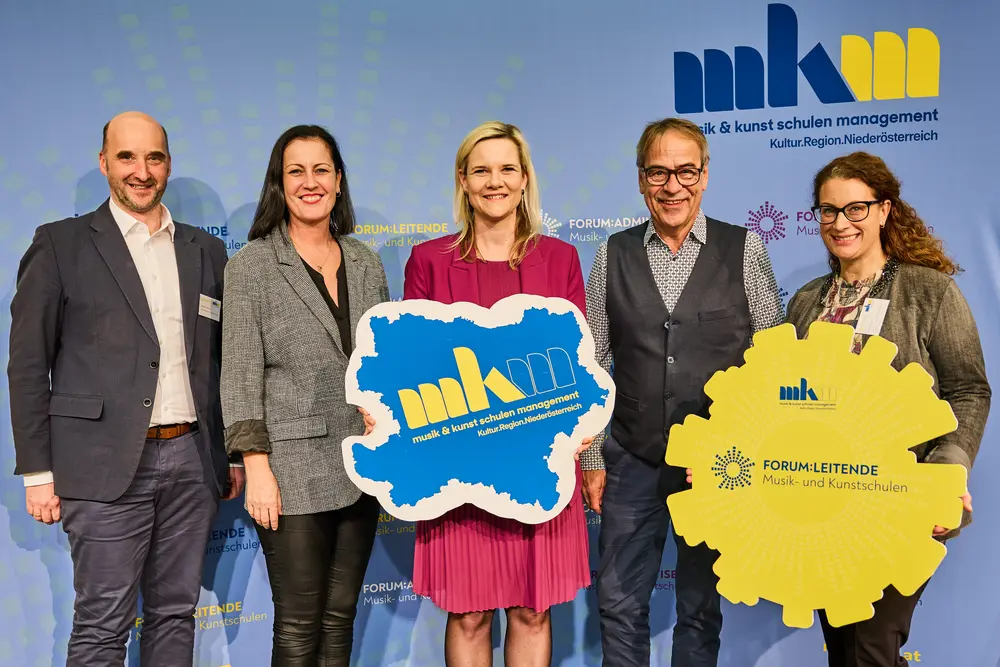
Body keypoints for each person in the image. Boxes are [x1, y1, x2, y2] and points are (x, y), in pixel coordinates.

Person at [7, 111, 245, 666]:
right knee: (101, 626)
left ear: (169, 165)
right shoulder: (60, 244)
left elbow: (221, 361)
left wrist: (230, 452)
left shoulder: (205, 251)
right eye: (127, 157)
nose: (142, 171)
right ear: (104, 163)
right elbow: (28, 365)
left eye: (154, 157)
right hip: (99, 464)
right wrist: (38, 472)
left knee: (175, 614)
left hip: (192, 460)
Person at [581, 117, 784, 667]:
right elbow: (594, 361)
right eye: (659, 172)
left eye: (686, 171)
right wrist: (593, 458)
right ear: (641, 179)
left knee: (700, 606)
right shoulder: (612, 253)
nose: (673, 186)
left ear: (705, 175)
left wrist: (752, 450)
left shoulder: (745, 249)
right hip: (632, 458)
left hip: (718, 465)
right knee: (619, 603)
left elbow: (772, 360)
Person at [785, 151, 991, 667]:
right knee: (844, 650)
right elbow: (784, 403)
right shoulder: (806, 303)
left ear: (884, 210)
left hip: (903, 500)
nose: (841, 223)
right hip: (825, 504)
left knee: (873, 647)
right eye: (829, 211)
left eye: (855, 208)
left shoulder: (929, 291)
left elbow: (969, 390)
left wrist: (948, 471)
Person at [403, 120, 593, 667]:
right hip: (456, 470)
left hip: (540, 464)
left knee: (532, 611)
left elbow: (577, 363)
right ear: (463, 181)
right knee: (468, 614)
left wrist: (580, 424)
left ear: (524, 178)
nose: (495, 181)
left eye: (508, 169)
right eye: (482, 170)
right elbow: (409, 367)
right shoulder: (428, 261)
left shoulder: (560, 259)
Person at [220, 124, 388, 666]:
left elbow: (386, 361)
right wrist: (256, 466)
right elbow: (239, 374)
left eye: (321, 170)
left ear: (338, 181)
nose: (310, 182)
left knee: (340, 618)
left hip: (362, 465)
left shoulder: (365, 261)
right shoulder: (251, 266)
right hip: (290, 471)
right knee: (297, 625)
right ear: (280, 182)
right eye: (296, 171)